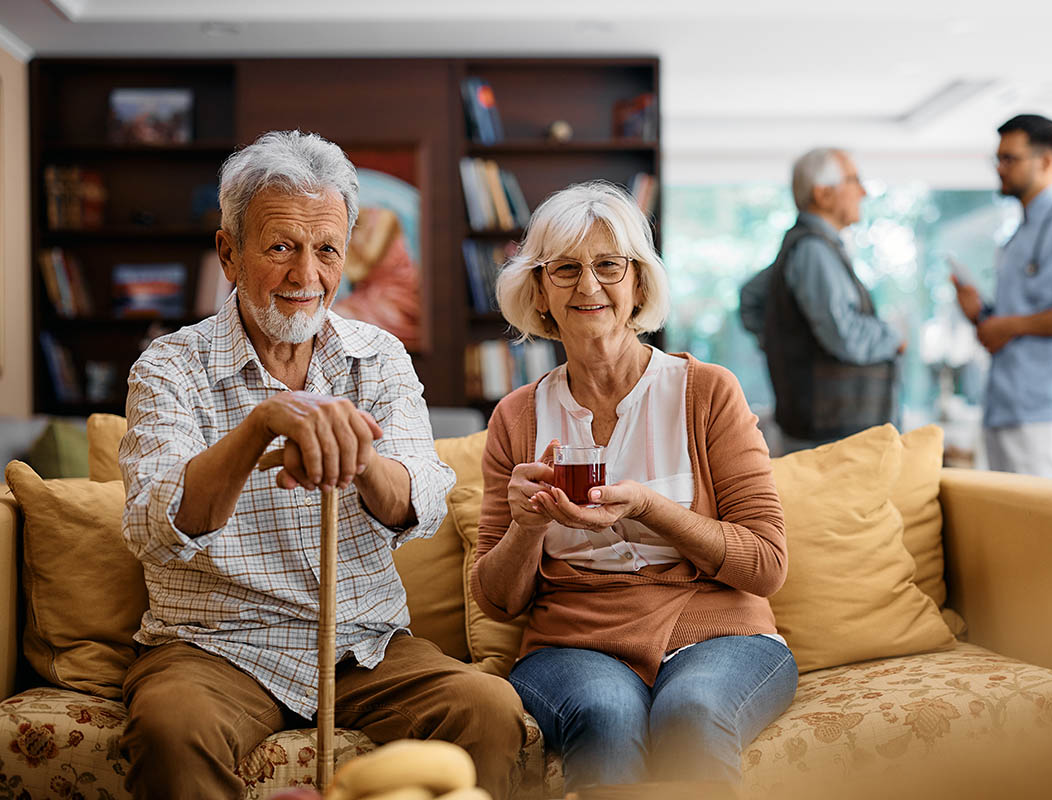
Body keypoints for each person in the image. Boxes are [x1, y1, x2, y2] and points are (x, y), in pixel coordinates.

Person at [118, 130, 525, 800]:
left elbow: (418, 504)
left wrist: (358, 457)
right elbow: (156, 525)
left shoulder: (381, 357)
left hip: (364, 644)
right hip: (216, 645)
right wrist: (259, 427)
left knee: (488, 711)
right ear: (229, 252)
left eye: (327, 249)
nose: (306, 275)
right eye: (280, 247)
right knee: (172, 726)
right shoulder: (170, 366)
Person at [470, 180, 797, 794]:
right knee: (607, 714)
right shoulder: (516, 417)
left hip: (718, 631)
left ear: (639, 283)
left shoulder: (707, 392)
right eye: (564, 269)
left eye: (608, 266)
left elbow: (767, 565)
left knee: (693, 713)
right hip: (575, 644)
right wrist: (528, 526)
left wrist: (650, 507)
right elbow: (498, 600)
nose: (588, 286)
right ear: (538, 291)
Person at [951, 114, 1052, 480]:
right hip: (1004, 405)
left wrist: (1009, 324)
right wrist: (978, 313)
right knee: (1010, 528)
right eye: (998, 159)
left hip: (1048, 410)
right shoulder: (1014, 239)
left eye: (1010, 158)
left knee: (1049, 530)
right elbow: (1007, 326)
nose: (1000, 168)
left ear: (1046, 162)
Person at [739, 147, 905, 453]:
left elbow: (750, 298)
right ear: (823, 194)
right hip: (833, 434)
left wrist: (783, 342)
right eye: (854, 180)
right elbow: (846, 337)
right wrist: (893, 336)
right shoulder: (814, 251)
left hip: (824, 427)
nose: (864, 192)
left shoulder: (806, 246)